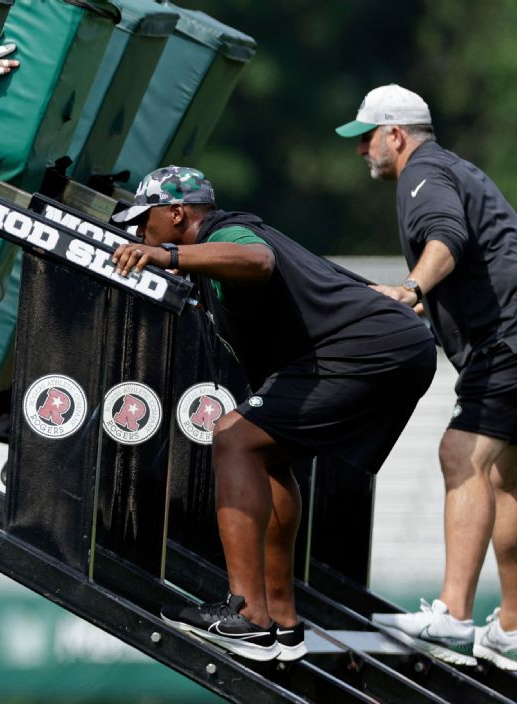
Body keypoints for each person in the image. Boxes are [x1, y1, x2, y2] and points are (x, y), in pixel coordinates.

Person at [109, 166, 437, 662]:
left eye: (142, 223)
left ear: (176, 215)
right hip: (392, 348)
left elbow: (257, 260)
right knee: (268, 455)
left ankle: (247, 615)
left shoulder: (228, 232)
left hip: (370, 351)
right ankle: (282, 621)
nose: (137, 235)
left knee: (233, 438)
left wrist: (168, 254)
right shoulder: (211, 260)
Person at [337, 83, 517, 671]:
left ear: (396, 135)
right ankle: (511, 629)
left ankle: (454, 619)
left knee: (459, 455)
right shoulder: (448, 169)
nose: (361, 151)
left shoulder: (424, 177)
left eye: (366, 138)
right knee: (506, 480)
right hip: (509, 339)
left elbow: (448, 237)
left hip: (507, 341)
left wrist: (413, 287)